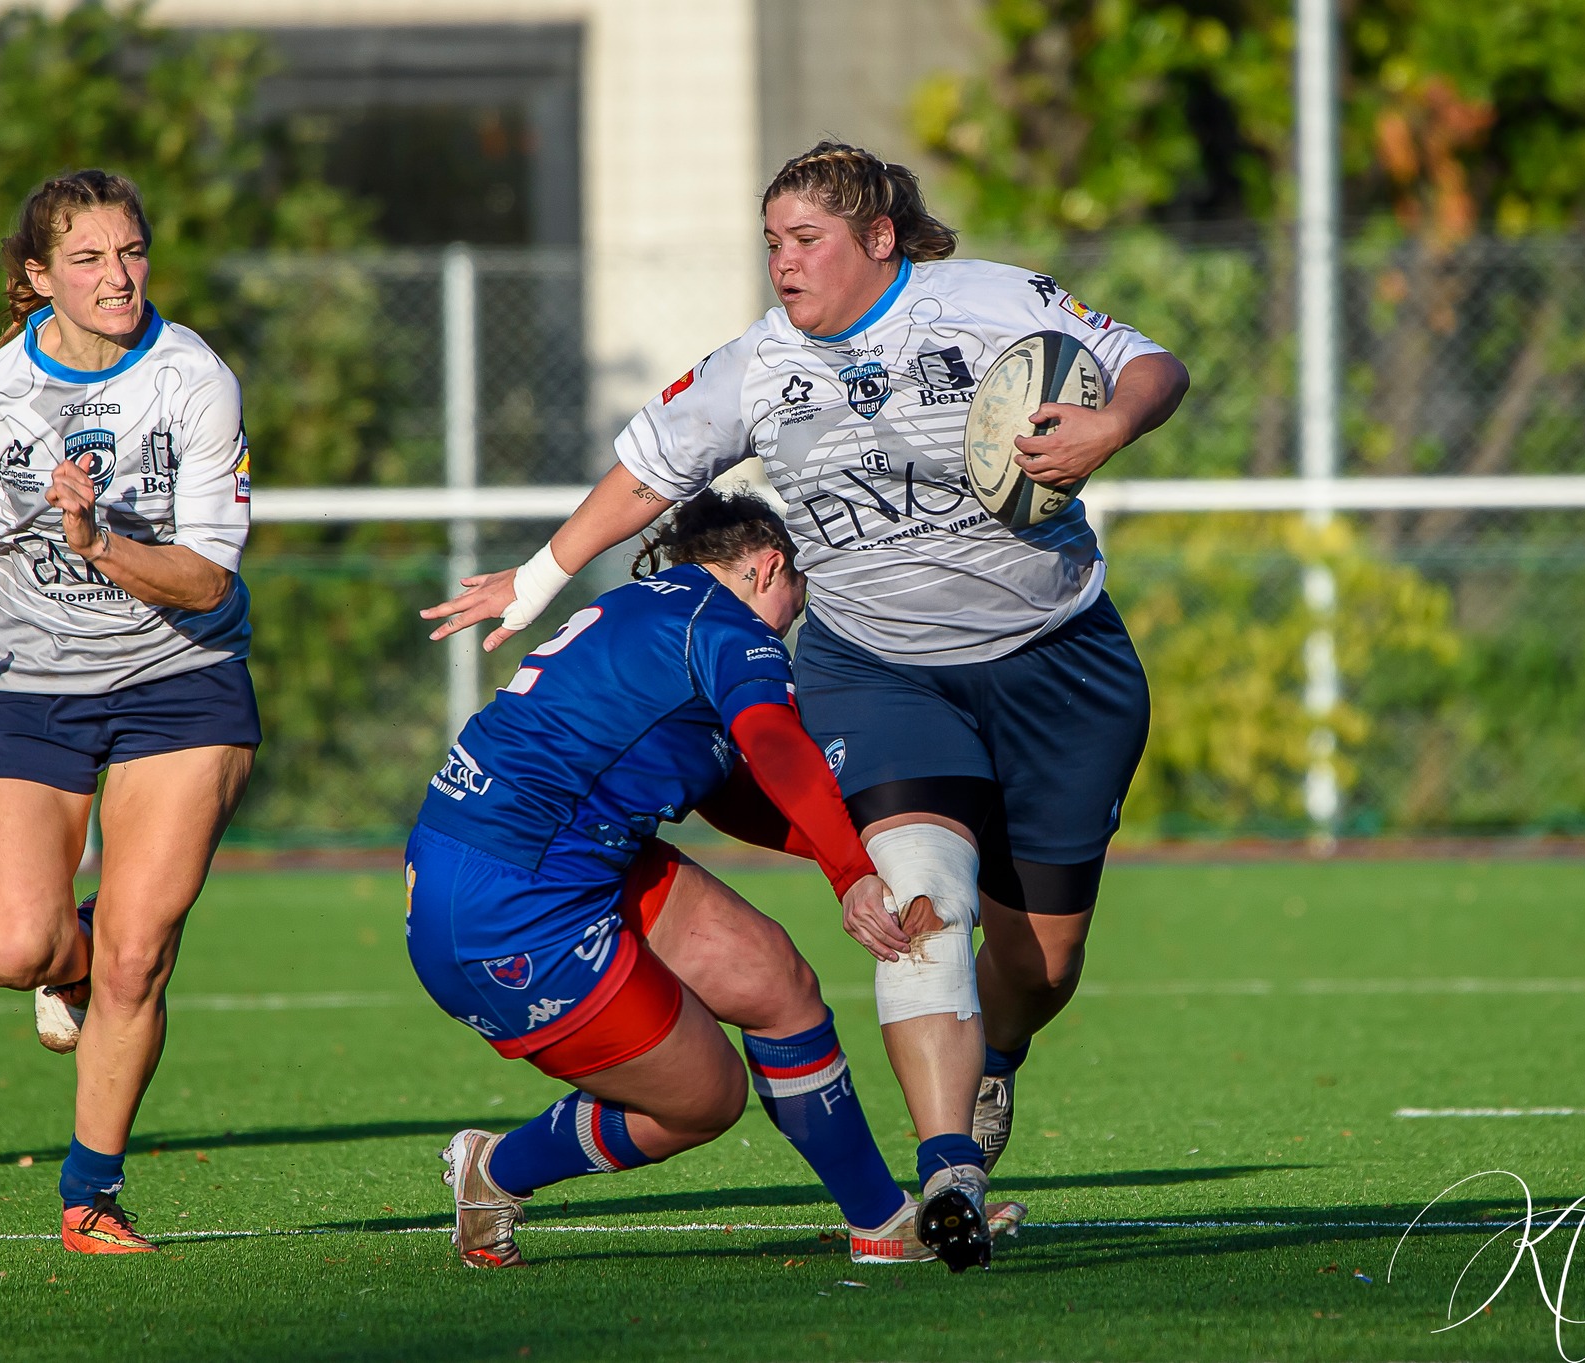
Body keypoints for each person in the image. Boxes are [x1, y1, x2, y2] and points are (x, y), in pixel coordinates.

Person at [421, 141, 1189, 1269]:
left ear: (877, 238)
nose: (782, 262)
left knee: (1041, 965)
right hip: (879, 670)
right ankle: (945, 1177)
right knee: (922, 894)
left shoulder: (987, 301)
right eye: (772, 241)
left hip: (1058, 662)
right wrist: (537, 576)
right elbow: (647, 472)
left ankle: (993, 1056)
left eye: (806, 240)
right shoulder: (754, 367)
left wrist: (1110, 424)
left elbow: (1152, 364)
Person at [408, 492, 1019, 1271]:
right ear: (769, 567)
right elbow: (774, 745)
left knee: (776, 981)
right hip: (504, 901)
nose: (798, 612)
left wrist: (863, 855)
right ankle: (495, 1169)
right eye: (801, 589)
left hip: (547, 857)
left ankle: (881, 1220)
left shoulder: (651, 604)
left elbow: (723, 791)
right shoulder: (729, 627)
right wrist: (850, 874)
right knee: (705, 1098)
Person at [0, 170, 260, 1255]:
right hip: (24, 689)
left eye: (132, 251)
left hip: (179, 680)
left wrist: (98, 542)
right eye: (89, 258)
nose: (118, 277)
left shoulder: (194, 379)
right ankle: (77, 950)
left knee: (141, 958)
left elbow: (206, 578)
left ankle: (90, 1194)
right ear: (38, 275)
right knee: (19, 947)